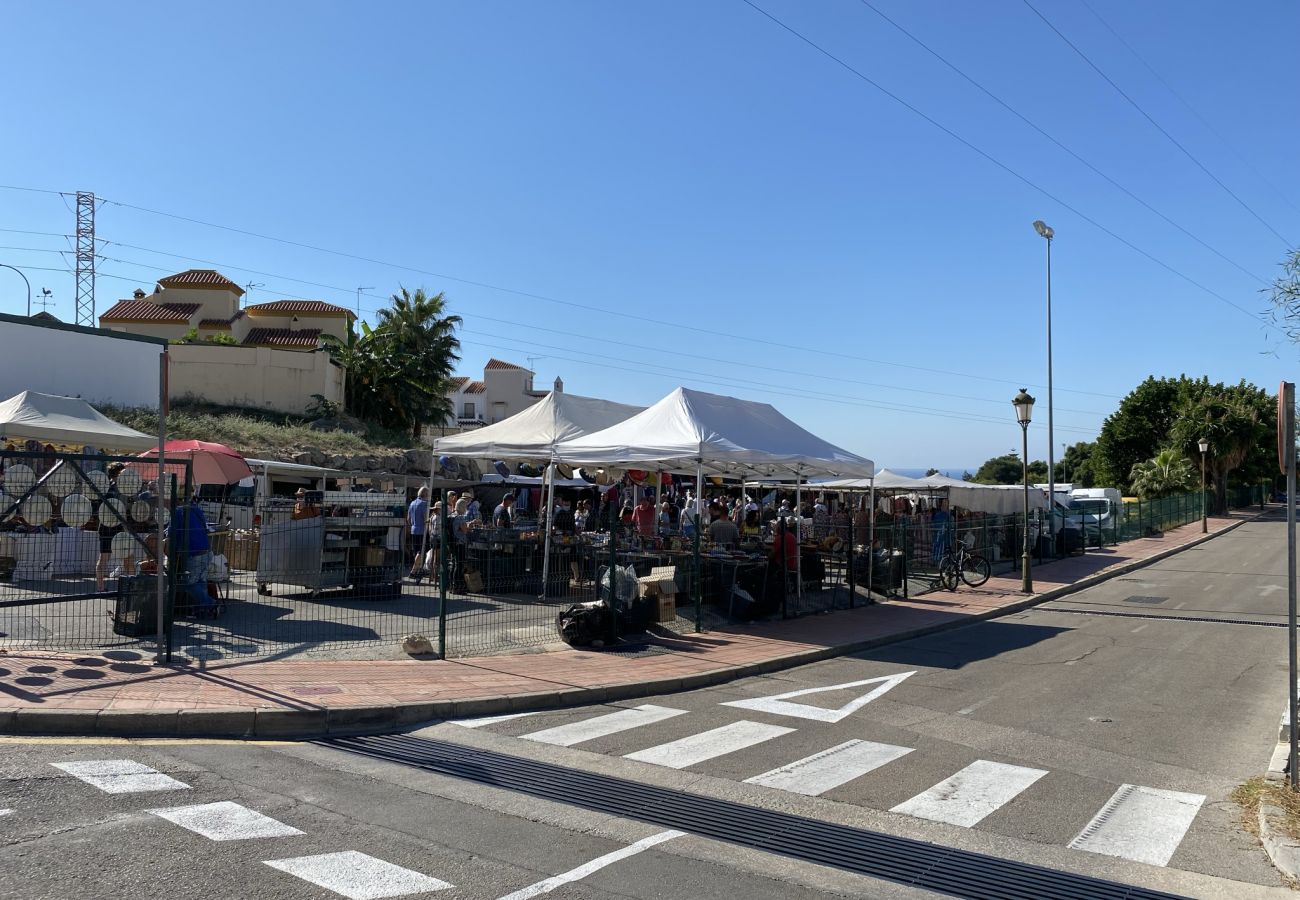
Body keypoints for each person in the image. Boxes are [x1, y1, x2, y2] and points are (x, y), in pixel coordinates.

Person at [169, 496, 214, 616]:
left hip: (194, 552)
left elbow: (171, 532)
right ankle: (202, 610)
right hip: (206, 550)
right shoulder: (196, 510)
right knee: (201, 581)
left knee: (188, 583)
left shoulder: (178, 512)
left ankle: (211, 604)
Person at [407, 486, 429, 577]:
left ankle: (418, 569)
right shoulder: (424, 504)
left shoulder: (412, 503)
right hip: (422, 530)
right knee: (421, 551)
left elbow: (408, 519)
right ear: (426, 494)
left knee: (416, 551)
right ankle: (413, 571)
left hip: (414, 529)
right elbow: (425, 518)